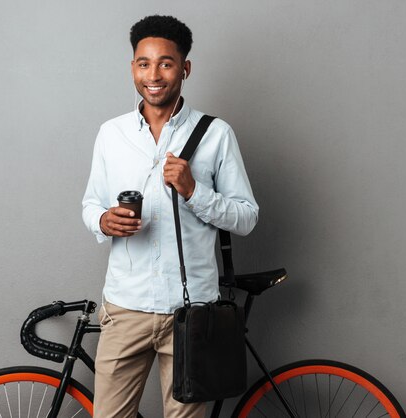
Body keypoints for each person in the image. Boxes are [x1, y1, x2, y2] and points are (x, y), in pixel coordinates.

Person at [82, 15, 258, 418]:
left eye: (165, 62)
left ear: (185, 68)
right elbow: (91, 204)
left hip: (193, 313)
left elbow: (247, 217)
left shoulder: (216, 134)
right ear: (133, 68)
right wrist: (102, 221)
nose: (154, 74)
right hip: (126, 307)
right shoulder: (112, 133)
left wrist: (195, 191)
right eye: (143, 63)